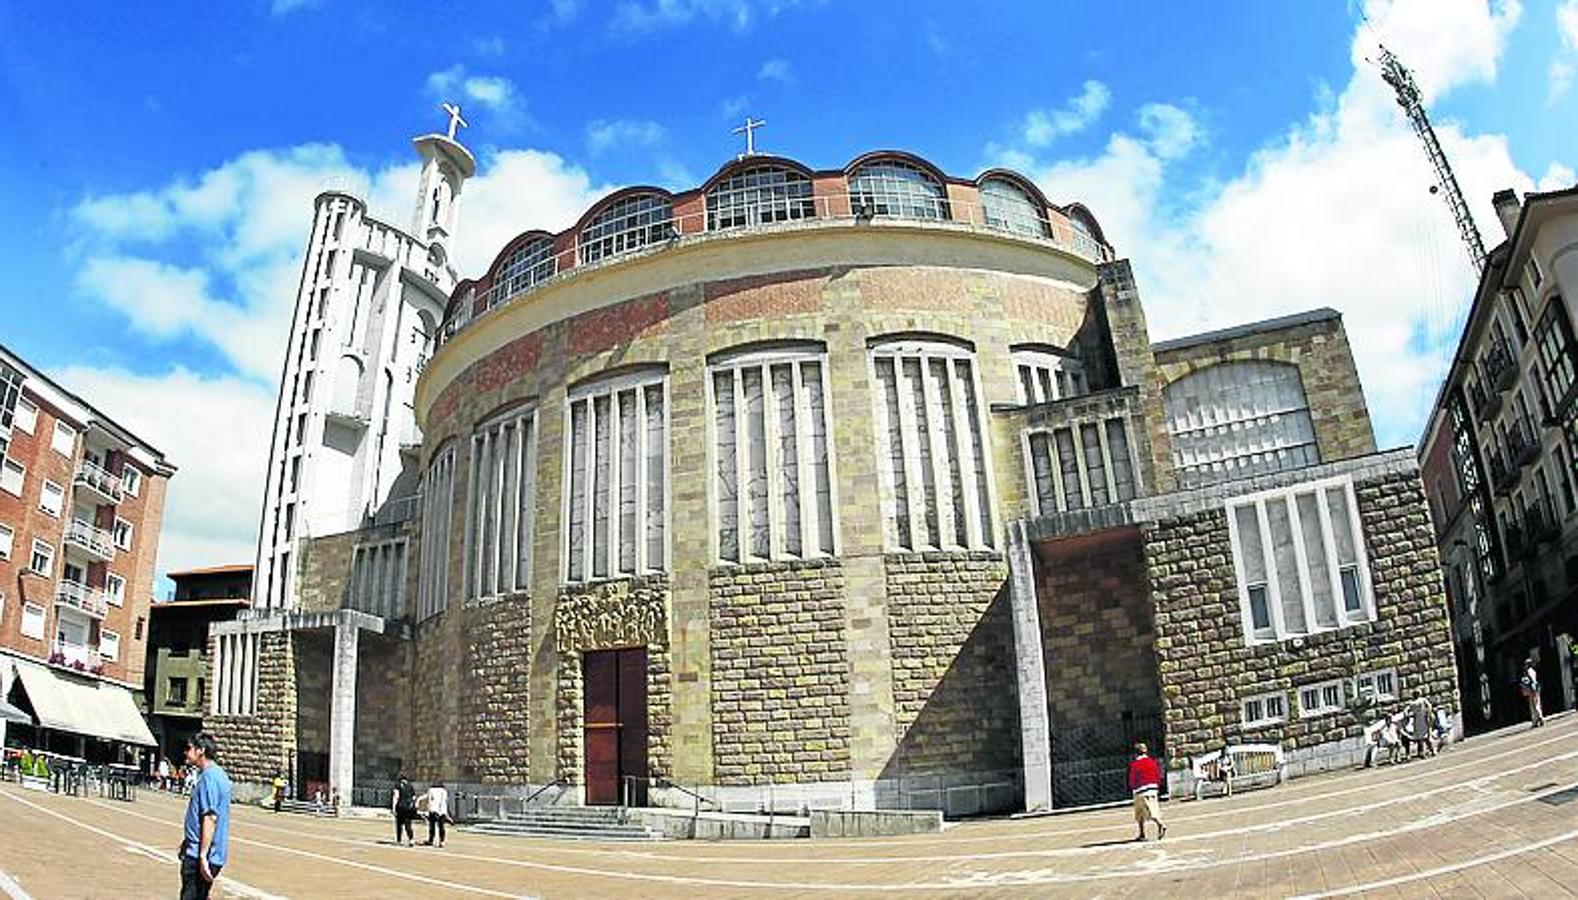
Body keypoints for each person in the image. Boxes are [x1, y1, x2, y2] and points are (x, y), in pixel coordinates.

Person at [178, 732, 231, 900]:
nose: (185, 753)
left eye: (189, 748)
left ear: (201, 751)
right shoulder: (218, 775)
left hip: (200, 857)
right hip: (202, 853)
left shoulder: (210, 777)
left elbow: (210, 817)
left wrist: (202, 855)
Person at [1127, 742, 1166, 841]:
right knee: (1152, 808)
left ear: (1136, 754)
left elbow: (1132, 778)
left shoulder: (1135, 764)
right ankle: (1142, 834)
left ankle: (1160, 824)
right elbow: (1158, 774)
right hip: (1153, 788)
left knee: (1142, 813)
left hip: (1141, 790)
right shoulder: (1152, 762)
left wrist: (1132, 787)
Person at [391, 773, 417, 846]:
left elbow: (396, 797)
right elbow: (414, 797)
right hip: (408, 807)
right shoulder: (410, 786)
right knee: (408, 824)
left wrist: (393, 808)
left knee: (399, 824)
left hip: (400, 806)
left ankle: (399, 840)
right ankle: (411, 839)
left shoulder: (398, 786)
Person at [424, 779, 450, 848]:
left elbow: (429, 800)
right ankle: (442, 841)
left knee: (432, 826)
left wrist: (427, 810)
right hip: (442, 810)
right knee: (441, 826)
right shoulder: (444, 791)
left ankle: (431, 840)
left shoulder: (431, 790)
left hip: (433, 809)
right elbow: (445, 801)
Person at [1521, 658, 1544, 727]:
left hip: (1531, 689)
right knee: (1537, 703)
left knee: (1533, 705)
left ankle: (1537, 719)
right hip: (1535, 688)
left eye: (1526, 664)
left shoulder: (1528, 672)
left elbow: (1529, 681)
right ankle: (1539, 718)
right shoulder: (1533, 671)